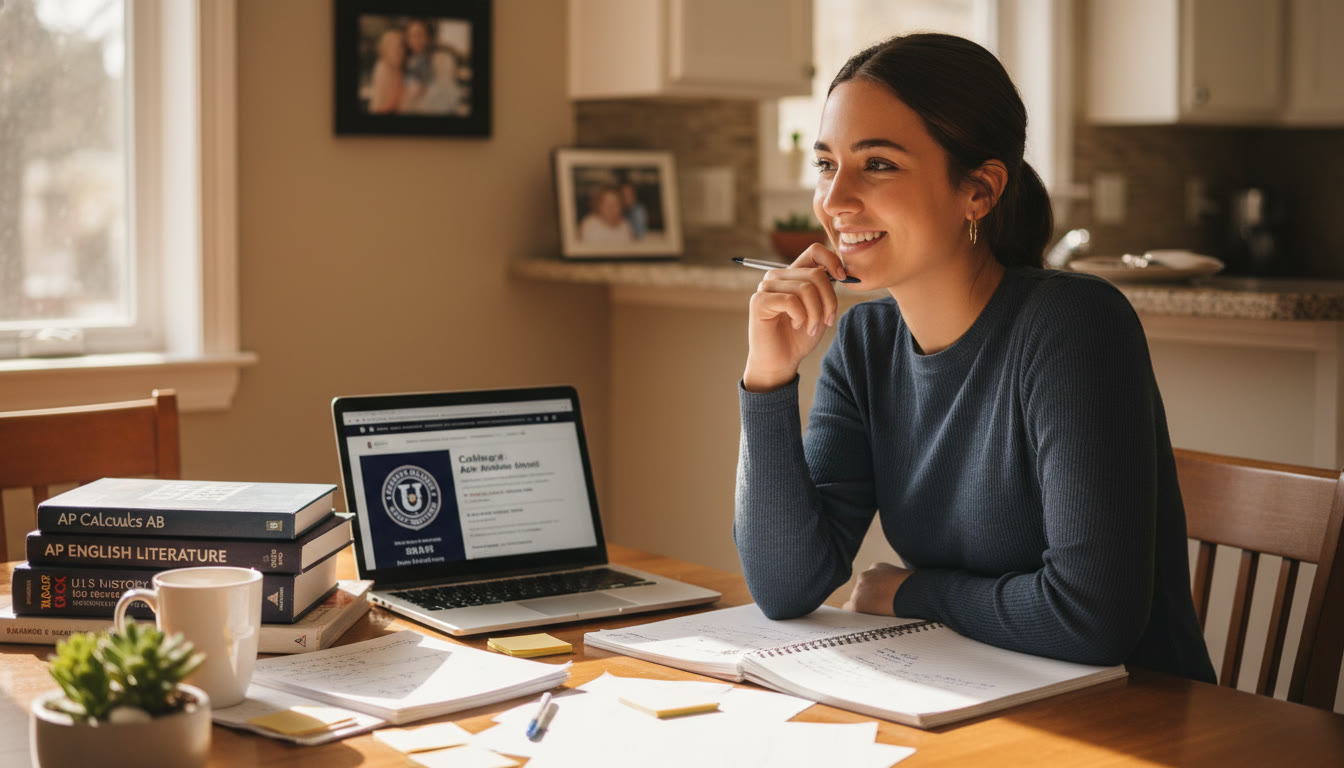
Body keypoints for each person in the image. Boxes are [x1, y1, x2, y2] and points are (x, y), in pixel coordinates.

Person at [733, 33, 1216, 683]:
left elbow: (1092, 620)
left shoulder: (1073, 327)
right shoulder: (866, 343)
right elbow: (787, 587)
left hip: (1140, 721)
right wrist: (767, 378)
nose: (835, 200)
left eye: (877, 164)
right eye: (827, 164)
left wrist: (907, 593)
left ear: (980, 192)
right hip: (971, 695)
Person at [399, 19, 435, 113]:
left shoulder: (431, 59)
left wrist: (421, 86)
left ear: (427, 38)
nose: (416, 40)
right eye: (412, 36)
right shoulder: (404, 58)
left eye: (420, 35)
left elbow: (430, 81)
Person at [367, 27, 405, 114]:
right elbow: (383, 105)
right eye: (393, 47)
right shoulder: (382, 68)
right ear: (385, 50)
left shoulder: (399, 70)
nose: (398, 51)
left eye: (400, 47)